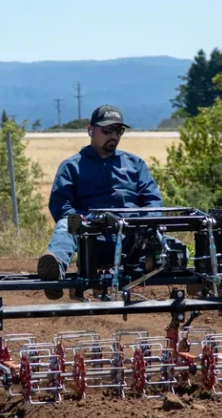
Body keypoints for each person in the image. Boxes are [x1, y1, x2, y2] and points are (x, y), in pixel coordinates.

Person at [37, 104, 162, 299]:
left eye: (118, 130)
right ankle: (54, 270)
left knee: (174, 247)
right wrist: (84, 220)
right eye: (107, 130)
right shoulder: (72, 166)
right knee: (66, 225)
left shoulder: (135, 165)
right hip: (92, 237)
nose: (113, 135)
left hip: (131, 237)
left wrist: (144, 223)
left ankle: (203, 274)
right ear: (90, 130)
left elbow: (153, 200)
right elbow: (61, 205)